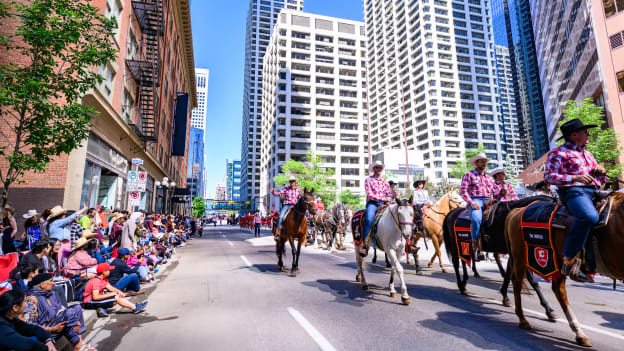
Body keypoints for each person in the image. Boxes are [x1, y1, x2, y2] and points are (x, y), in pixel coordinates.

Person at [544, 118, 607, 283]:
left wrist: (601, 171)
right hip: (573, 191)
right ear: (574, 135)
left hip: (595, 191)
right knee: (589, 217)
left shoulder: (588, 153)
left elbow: (602, 178)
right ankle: (569, 260)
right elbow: (549, 177)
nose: (588, 134)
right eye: (585, 131)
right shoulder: (558, 152)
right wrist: (574, 178)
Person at [24, 273, 94, 351]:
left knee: (76, 308)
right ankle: (77, 345)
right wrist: (51, 329)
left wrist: (76, 320)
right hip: (47, 330)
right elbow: (28, 324)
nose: (53, 283)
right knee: (69, 312)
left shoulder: (51, 294)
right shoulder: (32, 299)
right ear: (42, 284)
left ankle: (79, 343)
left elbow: (61, 309)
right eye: (50, 281)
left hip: (58, 323)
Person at [82, 262, 147, 317]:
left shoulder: (103, 279)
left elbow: (110, 288)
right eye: (108, 270)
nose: (110, 271)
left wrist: (119, 292)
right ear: (104, 272)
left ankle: (135, 306)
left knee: (116, 297)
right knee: (116, 297)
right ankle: (135, 308)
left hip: (94, 301)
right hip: (89, 302)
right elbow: (95, 297)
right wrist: (112, 294)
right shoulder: (96, 281)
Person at [460, 153, 496, 250]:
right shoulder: (469, 175)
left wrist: (500, 194)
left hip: (489, 200)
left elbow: (494, 191)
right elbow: (463, 191)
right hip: (476, 200)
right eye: (481, 161)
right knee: (476, 220)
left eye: (485, 162)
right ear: (476, 163)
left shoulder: (489, 178)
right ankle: (475, 241)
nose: (484, 163)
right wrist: (471, 202)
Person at [361, 161, 393, 257]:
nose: (379, 169)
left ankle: (401, 243)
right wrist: (383, 198)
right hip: (373, 203)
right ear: (373, 169)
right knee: (369, 218)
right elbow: (370, 195)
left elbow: (389, 194)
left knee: (396, 216)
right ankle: (365, 244)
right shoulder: (368, 180)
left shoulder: (385, 181)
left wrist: (390, 197)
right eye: (377, 167)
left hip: (384, 204)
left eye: (380, 168)